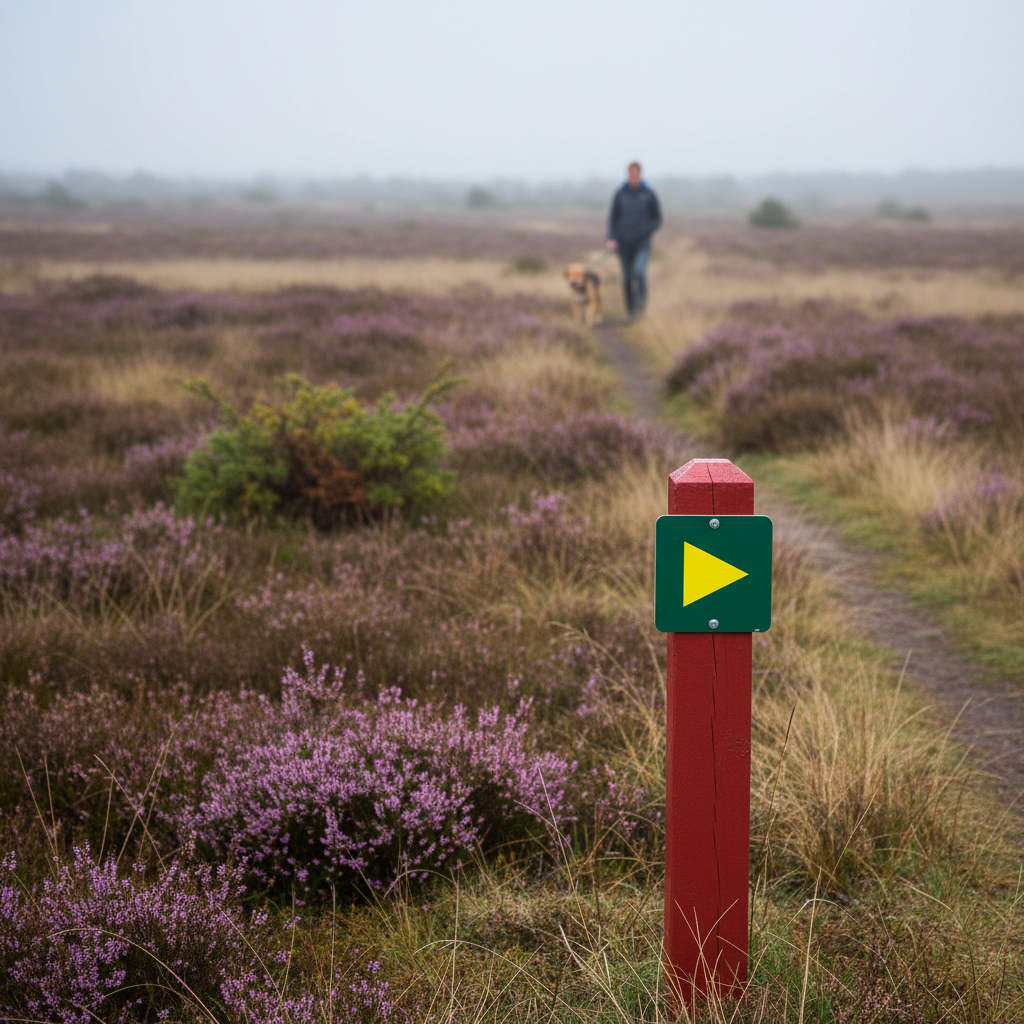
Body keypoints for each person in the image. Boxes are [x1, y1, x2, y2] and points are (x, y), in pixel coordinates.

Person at [606, 161, 662, 317]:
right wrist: (611, 238)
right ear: (628, 174)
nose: (633, 177)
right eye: (631, 174)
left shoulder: (649, 194)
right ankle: (630, 310)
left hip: (642, 243)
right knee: (626, 278)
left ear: (640, 174)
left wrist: (646, 231)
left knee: (639, 273)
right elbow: (613, 218)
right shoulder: (620, 193)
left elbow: (657, 218)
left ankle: (641, 308)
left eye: (636, 174)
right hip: (623, 243)